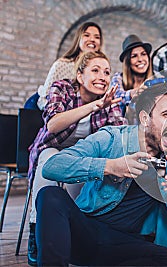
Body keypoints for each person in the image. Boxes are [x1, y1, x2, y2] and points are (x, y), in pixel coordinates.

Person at [35, 84, 167, 266]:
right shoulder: (112, 138)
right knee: (50, 195)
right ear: (144, 119)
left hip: (124, 244)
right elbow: (52, 166)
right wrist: (109, 166)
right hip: (85, 234)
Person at [27, 51, 126, 266]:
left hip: (82, 156)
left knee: (85, 182)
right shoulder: (62, 88)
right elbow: (52, 124)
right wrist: (94, 106)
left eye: (107, 72)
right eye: (96, 70)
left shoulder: (111, 98)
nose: (103, 76)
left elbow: (117, 137)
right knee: (48, 163)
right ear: (80, 76)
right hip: (52, 148)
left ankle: (73, 235)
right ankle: (37, 231)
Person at [37, 22, 103, 110]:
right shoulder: (61, 65)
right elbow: (44, 99)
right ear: (78, 39)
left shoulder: (102, 69)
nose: (92, 39)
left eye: (97, 37)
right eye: (86, 35)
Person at [112, 34, 154, 123]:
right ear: (127, 61)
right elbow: (117, 97)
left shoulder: (155, 80)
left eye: (143, 54)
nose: (140, 59)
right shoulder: (118, 78)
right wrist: (133, 93)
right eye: (134, 56)